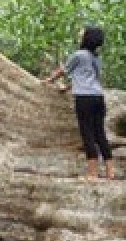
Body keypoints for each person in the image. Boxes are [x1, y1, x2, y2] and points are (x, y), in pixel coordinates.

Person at [42, 26, 115, 180]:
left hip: (84, 98)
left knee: (87, 133)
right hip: (98, 97)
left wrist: (48, 81)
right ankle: (110, 171)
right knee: (100, 133)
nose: (80, 34)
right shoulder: (96, 58)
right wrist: (68, 87)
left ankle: (92, 173)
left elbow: (63, 71)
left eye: (82, 33)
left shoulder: (78, 55)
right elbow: (87, 78)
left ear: (86, 38)